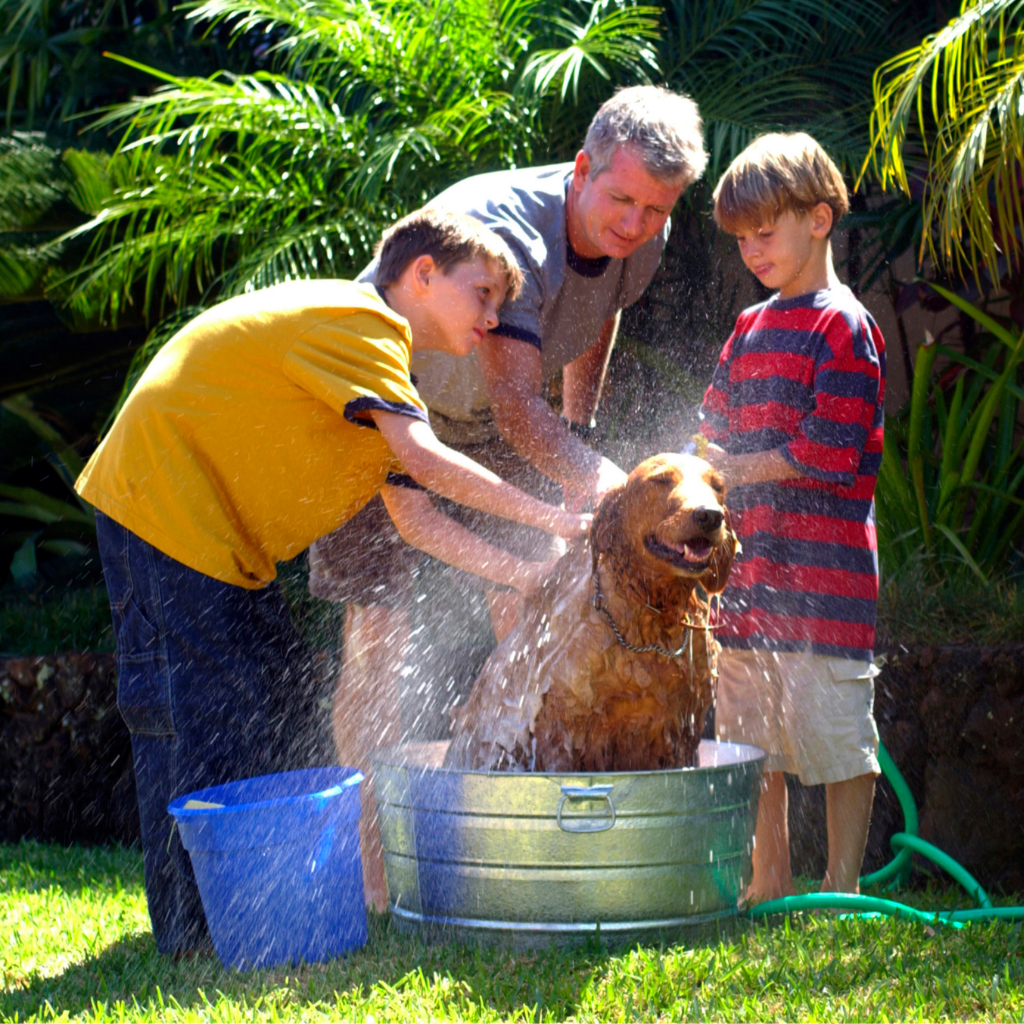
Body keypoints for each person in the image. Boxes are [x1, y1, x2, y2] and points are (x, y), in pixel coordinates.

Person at [74, 208, 589, 955]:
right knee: (199, 713)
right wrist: (558, 518)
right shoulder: (362, 322)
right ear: (421, 274)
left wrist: (530, 575)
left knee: (271, 692)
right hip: (163, 506)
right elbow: (429, 463)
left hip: (208, 534)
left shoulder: (375, 363)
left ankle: (246, 910)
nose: (493, 316)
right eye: (481, 293)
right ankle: (198, 934)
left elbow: (416, 520)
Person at [311, 86, 708, 904]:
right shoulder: (512, 236)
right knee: (379, 631)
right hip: (378, 410)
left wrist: (583, 418)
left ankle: (517, 838)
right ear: (581, 169)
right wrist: (597, 479)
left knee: (538, 603)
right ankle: (376, 872)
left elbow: (604, 308)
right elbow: (520, 413)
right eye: (621, 199)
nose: (635, 223)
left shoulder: (645, 234)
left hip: (492, 417)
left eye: (656, 208)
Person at [697, 132, 886, 902]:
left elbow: (826, 451)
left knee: (838, 747)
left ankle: (841, 887)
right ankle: (767, 883)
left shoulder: (846, 326)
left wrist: (730, 468)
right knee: (754, 748)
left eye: (764, 232)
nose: (751, 251)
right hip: (748, 584)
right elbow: (711, 426)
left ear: (818, 218)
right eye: (740, 239)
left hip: (825, 589)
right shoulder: (748, 329)